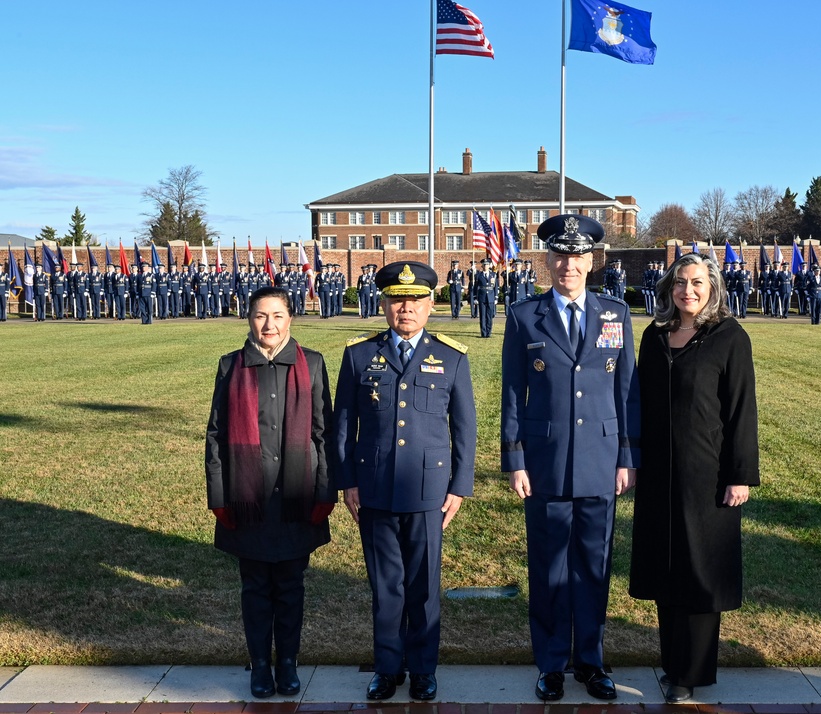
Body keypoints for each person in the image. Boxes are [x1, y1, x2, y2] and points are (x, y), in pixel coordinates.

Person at [501, 214, 640, 703]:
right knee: (549, 567)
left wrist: (627, 456)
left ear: (590, 261)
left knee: (593, 565)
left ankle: (592, 661)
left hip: (602, 461)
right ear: (548, 260)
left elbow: (627, 391)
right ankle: (551, 663)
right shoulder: (524, 316)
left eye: (577, 257)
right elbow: (513, 393)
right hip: (545, 461)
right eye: (560, 256)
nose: (569, 266)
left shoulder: (614, 314)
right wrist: (514, 459)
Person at [333, 261, 476, 702]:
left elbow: (465, 428)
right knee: (385, 585)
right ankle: (387, 667)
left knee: (424, 585)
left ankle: (423, 669)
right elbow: (343, 424)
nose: (406, 308)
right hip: (374, 486)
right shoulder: (359, 355)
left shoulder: (451, 357)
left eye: (415, 301)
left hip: (429, 490)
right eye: (397, 300)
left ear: (431, 305)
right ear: (383, 304)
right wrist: (347, 482)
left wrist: (459, 486)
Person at [628, 252, 760, 704]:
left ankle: (692, 672)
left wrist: (739, 475)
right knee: (667, 569)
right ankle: (671, 665)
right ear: (670, 288)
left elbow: (742, 411)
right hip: (659, 472)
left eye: (698, 283)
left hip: (708, 473)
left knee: (700, 571)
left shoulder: (729, 337)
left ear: (713, 288)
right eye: (681, 282)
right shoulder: (654, 335)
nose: (689, 290)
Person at [205, 286, 336, 699]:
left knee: (292, 587)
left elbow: (323, 435)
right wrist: (221, 498)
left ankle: (288, 664)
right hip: (249, 500)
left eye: (277, 315)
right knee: (256, 588)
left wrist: (324, 493)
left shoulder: (311, 364)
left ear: (290, 318)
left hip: (297, 499)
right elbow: (215, 438)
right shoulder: (231, 367)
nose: (269, 325)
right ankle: (260, 665)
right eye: (261, 316)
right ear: (249, 319)